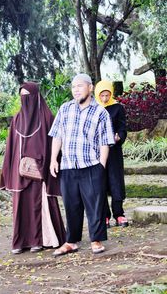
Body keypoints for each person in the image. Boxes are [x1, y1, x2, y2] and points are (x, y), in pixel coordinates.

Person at [48, 73, 115, 256]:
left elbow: (105, 142)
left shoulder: (101, 112)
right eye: (73, 87)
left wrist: (101, 166)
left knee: (95, 204)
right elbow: (57, 135)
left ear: (90, 88)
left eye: (80, 86)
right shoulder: (65, 109)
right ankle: (71, 241)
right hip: (68, 166)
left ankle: (96, 240)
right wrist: (54, 159)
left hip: (91, 165)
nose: (76, 90)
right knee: (71, 205)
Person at [0, 81, 66, 254]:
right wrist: (10, 170)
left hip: (40, 170)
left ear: (36, 97)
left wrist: (47, 162)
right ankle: (21, 242)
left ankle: (40, 240)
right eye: (22, 96)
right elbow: (11, 147)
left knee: (38, 203)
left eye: (27, 96)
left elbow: (54, 143)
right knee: (21, 206)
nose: (24, 100)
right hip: (20, 171)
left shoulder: (46, 117)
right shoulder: (17, 118)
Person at [95, 80, 128, 228]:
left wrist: (119, 136)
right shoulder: (93, 108)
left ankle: (119, 214)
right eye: (102, 95)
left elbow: (122, 127)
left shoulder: (118, 108)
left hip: (113, 151)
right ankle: (105, 216)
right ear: (97, 94)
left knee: (116, 181)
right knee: (100, 182)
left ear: (111, 93)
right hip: (96, 152)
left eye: (107, 95)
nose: (104, 98)